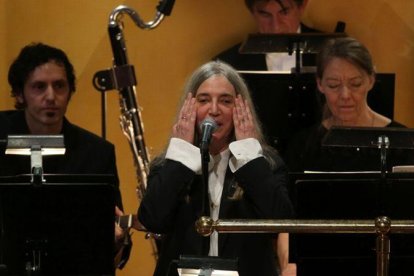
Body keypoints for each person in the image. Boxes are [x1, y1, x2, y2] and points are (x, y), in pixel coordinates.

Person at [138, 61, 294, 276]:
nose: (213, 110)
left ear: (241, 108)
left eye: (225, 101)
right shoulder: (169, 163)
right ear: (189, 108)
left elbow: (280, 219)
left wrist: (248, 154)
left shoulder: (266, 163)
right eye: (203, 100)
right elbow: (152, 219)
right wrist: (182, 154)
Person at [0, 42, 130, 271]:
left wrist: (118, 240)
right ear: (20, 93)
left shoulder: (98, 153)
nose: (51, 96)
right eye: (39, 86)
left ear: (70, 91)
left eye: (59, 85)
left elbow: (114, 246)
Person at [286, 37, 411, 172]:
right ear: (320, 84)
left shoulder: (404, 144)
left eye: (355, 84)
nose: (345, 95)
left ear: (371, 80)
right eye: (333, 85)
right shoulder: (303, 146)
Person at [215, 0, 317, 71]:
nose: (276, 27)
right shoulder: (226, 66)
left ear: (302, 6)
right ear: (252, 11)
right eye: (265, 14)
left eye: (284, 12)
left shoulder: (330, 48)